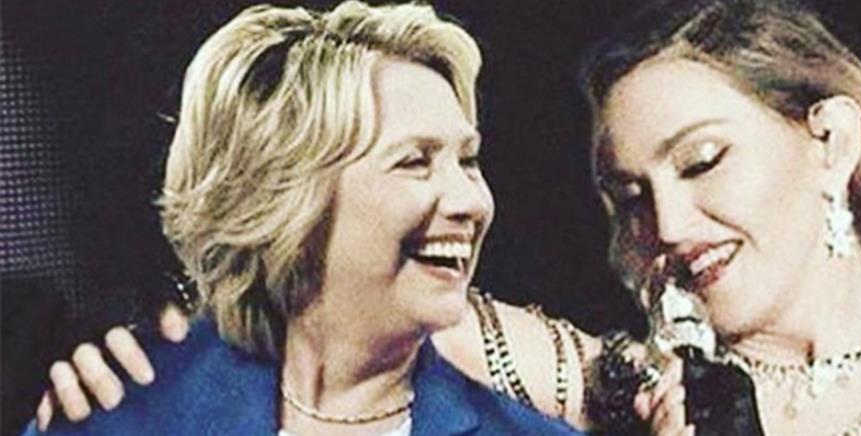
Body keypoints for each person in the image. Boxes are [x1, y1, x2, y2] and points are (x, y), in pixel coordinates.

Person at [26, 2, 696, 435]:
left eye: (467, 161)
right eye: (415, 162)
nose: (470, 201)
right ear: (289, 198)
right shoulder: (118, 410)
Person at [579, 0, 861, 434]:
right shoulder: (625, 390)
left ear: (832, 141)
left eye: (701, 163)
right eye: (631, 198)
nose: (668, 226)